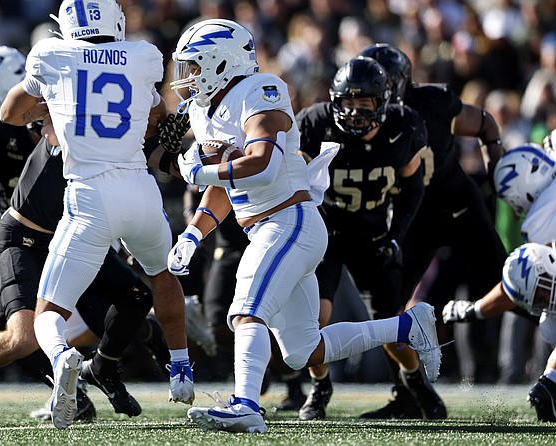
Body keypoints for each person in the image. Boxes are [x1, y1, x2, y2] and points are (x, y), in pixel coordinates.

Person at [167, 18, 442, 434]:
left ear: (220, 63)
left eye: (193, 66)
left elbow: (262, 165)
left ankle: (245, 405)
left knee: (246, 312)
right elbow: (226, 187)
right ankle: (408, 325)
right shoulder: (207, 112)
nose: (185, 78)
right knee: (302, 351)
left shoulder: (260, 91)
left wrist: (199, 172)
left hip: (288, 221)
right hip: (266, 227)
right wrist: (193, 233)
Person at [0, 46, 173, 426]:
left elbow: (146, 147)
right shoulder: (39, 114)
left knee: (134, 298)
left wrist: (178, 148)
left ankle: (105, 368)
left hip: (72, 233)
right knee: (21, 337)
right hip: (23, 240)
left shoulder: (100, 118)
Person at [0, 0, 193, 429]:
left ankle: (64, 358)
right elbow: (153, 120)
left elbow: (9, 113)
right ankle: (180, 368)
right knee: (162, 276)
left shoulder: (52, 55)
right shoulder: (143, 56)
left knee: (49, 312)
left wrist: (48, 103)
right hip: (141, 192)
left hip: (90, 196)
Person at [351, 43, 508, 420]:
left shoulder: (433, 100)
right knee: (386, 305)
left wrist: (496, 168)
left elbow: (485, 123)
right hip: (414, 216)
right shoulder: (365, 117)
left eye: (380, 83)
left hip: (459, 206)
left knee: (515, 287)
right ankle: (408, 393)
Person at [294, 55, 428, 420]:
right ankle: (320, 386)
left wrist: (396, 235)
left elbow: (412, 188)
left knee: (389, 324)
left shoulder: (404, 128)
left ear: (382, 103)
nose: (353, 112)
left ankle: (415, 382)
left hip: (373, 234)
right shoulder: (317, 123)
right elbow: (293, 177)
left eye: (363, 103)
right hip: (326, 233)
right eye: (347, 103)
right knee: (312, 321)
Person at [443, 143, 556, 422]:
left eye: (515, 202)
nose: (517, 210)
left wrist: (476, 309)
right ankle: (551, 382)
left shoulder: (539, 222)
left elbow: (522, 281)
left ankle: (551, 383)